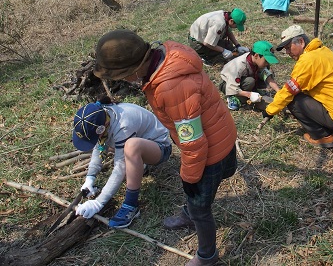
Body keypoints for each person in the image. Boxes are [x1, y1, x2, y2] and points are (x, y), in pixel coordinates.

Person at [93, 29, 238, 266]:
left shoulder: (171, 87)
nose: (122, 81)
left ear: (134, 69)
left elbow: (193, 142)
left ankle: (207, 256)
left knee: (200, 203)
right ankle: (190, 211)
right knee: (197, 195)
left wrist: (189, 178)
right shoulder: (167, 56)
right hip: (220, 133)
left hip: (212, 151)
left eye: (122, 76)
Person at [72, 98, 172, 229]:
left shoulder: (123, 125)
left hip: (160, 148)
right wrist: (90, 178)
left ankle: (131, 205)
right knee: (123, 146)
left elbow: (120, 167)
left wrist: (98, 203)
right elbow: (99, 147)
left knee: (131, 147)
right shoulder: (102, 116)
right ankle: (139, 165)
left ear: (102, 129)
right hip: (142, 141)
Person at [262, 25, 333, 149]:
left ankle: (324, 137)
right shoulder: (322, 51)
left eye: (289, 48)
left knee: (294, 100)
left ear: (301, 42)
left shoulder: (307, 61)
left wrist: (269, 111)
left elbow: (288, 92)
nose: (288, 52)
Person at [219, 40, 280, 111]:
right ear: (256, 55)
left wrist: (279, 92)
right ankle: (232, 97)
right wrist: (249, 95)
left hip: (242, 80)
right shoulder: (239, 66)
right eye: (266, 60)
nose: (267, 63)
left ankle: (251, 90)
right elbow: (232, 87)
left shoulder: (256, 60)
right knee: (250, 81)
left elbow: (268, 77)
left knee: (266, 72)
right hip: (227, 84)